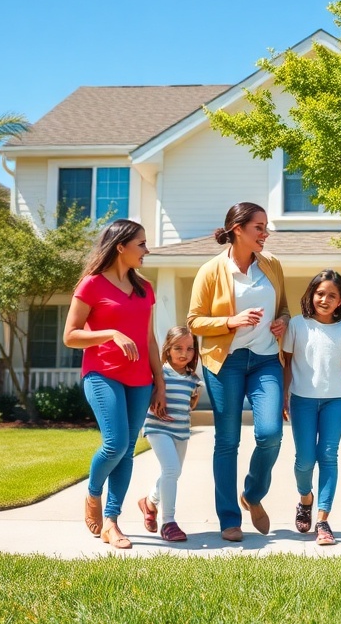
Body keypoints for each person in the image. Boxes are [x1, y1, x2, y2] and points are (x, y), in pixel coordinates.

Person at [188, 202, 290, 541]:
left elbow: (286, 309)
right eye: (258, 227)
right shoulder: (211, 271)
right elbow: (194, 321)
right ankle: (229, 519)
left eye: (265, 227)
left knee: (271, 433)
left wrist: (282, 323)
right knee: (227, 441)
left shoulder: (272, 264)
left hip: (264, 360)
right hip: (225, 363)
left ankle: (252, 494)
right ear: (237, 230)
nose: (265, 233)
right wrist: (230, 321)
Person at [63, 219, 167, 550]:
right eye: (141, 244)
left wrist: (160, 382)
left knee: (127, 453)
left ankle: (111, 522)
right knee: (115, 443)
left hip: (140, 379)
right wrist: (110, 333)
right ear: (121, 246)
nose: (146, 250)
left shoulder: (144, 288)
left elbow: (150, 339)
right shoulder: (91, 285)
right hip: (102, 373)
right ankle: (93, 492)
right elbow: (70, 336)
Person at [282, 269, 341, 546]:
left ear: (340, 301)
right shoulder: (297, 326)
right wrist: (283, 396)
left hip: (334, 401)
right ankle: (306, 499)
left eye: (332, 295)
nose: (324, 299)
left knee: (328, 456)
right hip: (302, 399)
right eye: (320, 293)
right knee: (304, 459)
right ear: (311, 295)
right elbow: (287, 363)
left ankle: (323, 521)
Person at [138, 326, 203, 543]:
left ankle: (149, 501)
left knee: (173, 473)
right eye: (178, 348)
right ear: (167, 349)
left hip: (181, 432)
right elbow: (147, 398)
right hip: (158, 428)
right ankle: (169, 522)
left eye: (189, 349)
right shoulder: (159, 374)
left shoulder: (194, 379)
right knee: (171, 469)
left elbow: (190, 405)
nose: (184, 353)